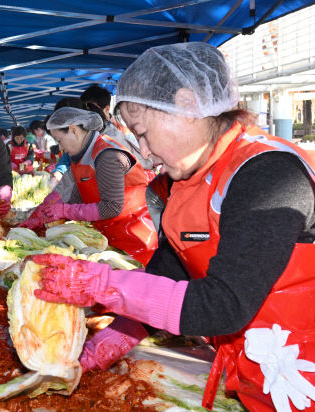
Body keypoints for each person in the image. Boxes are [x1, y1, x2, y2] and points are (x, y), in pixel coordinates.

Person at [31, 42, 315, 412]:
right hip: (248, 374)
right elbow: (167, 275)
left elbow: (225, 304)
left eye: (143, 133)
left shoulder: (268, 173)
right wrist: (118, 333)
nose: (144, 152)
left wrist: (104, 284)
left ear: (185, 103)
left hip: (301, 371)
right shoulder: (178, 185)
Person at [20, 107, 157, 265]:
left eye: (60, 141)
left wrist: (65, 211)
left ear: (74, 130)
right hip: (112, 238)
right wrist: (40, 215)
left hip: (136, 240)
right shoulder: (81, 158)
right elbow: (65, 193)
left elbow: (111, 207)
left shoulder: (107, 155)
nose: (61, 148)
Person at [81, 84, 154, 171]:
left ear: (107, 109)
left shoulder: (115, 135)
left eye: (91, 109)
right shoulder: (88, 134)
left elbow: (146, 163)